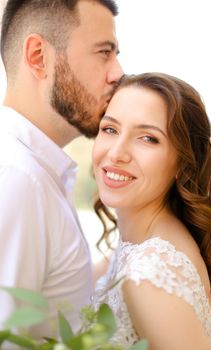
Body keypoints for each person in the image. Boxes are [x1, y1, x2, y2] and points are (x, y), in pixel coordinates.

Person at [0, 0, 123, 339]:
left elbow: (57, 298)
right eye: (104, 52)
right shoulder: (18, 179)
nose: (118, 72)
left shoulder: (40, 172)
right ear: (39, 56)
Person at [92, 73, 211, 349]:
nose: (117, 153)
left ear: (183, 161)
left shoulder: (149, 275)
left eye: (147, 138)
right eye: (110, 129)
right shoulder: (139, 244)